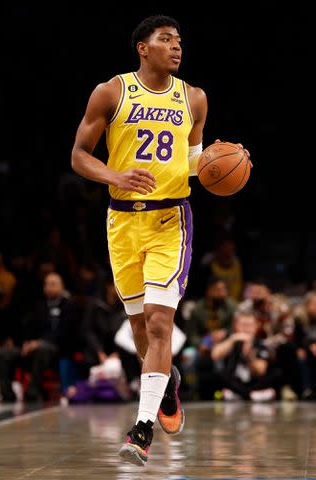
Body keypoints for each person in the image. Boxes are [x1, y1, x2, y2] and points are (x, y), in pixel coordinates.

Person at [71, 15, 250, 466]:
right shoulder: (111, 92)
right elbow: (78, 156)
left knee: (157, 324)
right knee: (138, 331)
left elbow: (192, 162)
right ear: (142, 48)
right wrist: (115, 174)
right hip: (121, 222)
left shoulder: (194, 98)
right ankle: (165, 383)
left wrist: (215, 162)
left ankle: (142, 428)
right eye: (166, 40)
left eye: (179, 41)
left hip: (172, 218)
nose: (176, 47)